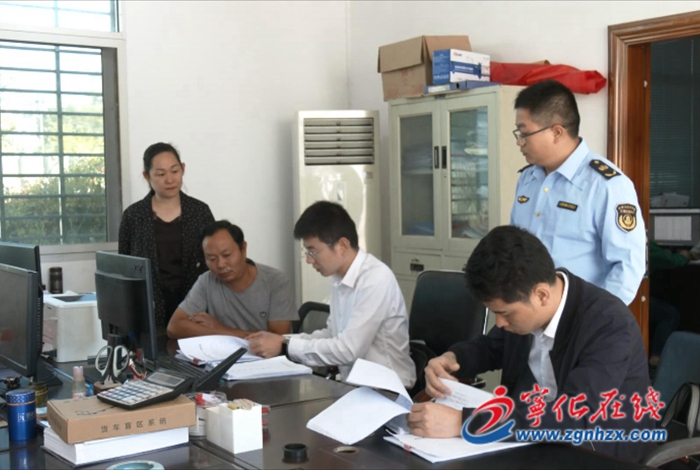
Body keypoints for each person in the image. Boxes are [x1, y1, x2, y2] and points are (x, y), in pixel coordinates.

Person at [406, 226, 654, 463]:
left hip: (599, 450)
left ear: (541, 295)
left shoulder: (608, 324)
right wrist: (452, 359)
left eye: (505, 313)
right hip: (534, 440)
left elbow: (575, 415)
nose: (500, 323)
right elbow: (491, 347)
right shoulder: (525, 311)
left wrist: (465, 423)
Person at [247, 201, 416, 388]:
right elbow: (332, 334)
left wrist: (286, 347)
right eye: (306, 252)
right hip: (354, 385)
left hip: (387, 389)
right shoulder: (338, 277)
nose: (309, 260)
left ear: (342, 245)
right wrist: (283, 340)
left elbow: (348, 350)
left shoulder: (375, 278)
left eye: (313, 251)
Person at [510, 80, 645, 306]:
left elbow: (627, 267)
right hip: (528, 312)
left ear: (556, 132)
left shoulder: (606, 185)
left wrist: (595, 317)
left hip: (580, 315)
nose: (519, 142)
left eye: (524, 133)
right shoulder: (527, 178)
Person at [119, 142, 215, 327]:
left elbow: (213, 260)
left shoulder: (200, 212)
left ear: (183, 169)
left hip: (194, 303)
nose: (170, 179)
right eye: (161, 174)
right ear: (147, 176)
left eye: (174, 171)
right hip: (149, 306)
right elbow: (123, 268)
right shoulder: (133, 216)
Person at [166, 220, 296, 339]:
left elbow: (279, 338)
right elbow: (174, 327)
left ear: (243, 249)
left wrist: (219, 329)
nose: (220, 264)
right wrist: (219, 331)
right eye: (212, 258)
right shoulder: (206, 281)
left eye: (226, 255)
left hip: (264, 356)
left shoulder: (275, 281)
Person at [648, 240, 687, 366]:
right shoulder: (642, 241)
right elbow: (671, 261)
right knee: (670, 315)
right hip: (634, 300)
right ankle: (656, 357)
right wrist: (684, 256)